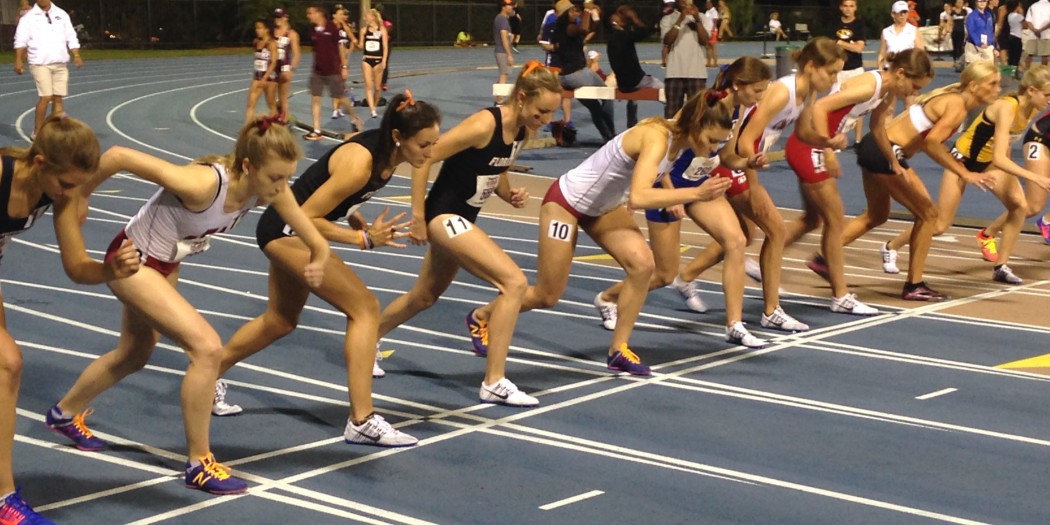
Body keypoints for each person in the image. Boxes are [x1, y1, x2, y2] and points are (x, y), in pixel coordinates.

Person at [45, 117, 329, 495]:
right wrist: (81, 197)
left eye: (286, 178)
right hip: (132, 261)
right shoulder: (202, 185)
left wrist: (319, 256)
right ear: (247, 166)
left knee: (134, 352)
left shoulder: (271, 188)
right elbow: (118, 155)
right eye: (276, 177)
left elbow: (312, 235)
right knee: (207, 348)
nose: (281, 187)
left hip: (164, 261)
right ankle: (199, 463)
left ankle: (63, 414)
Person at [214, 92, 438, 445]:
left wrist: (353, 215)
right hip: (288, 232)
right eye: (425, 145)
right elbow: (306, 217)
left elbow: (334, 198)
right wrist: (362, 239)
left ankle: (207, 374)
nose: (430, 153)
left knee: (280, 320)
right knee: (365, 308)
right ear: (398, 137)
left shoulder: (387, 155)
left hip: (286, 230)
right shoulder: (361, 163)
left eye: (434, 144)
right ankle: (362, 420)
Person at [471, 88, 735, 375]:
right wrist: (694, 195)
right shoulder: (657, 138)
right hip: (566, 204)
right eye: (711, 141)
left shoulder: (681, 140)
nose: (713, 149)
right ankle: (482, 316)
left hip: (604, 208)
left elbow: (644, 179)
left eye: (720, 143)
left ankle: (618, 349)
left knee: (644, 265)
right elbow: (640, 197)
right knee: (547, 295)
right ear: (696, 126)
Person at [377, 64, 563, 405]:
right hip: (443, 216)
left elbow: (497, 165)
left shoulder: (520, 131)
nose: (547, 119)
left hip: (462, 219)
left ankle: (367, 340)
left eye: (552, 112)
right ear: (521, 98)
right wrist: (419, 215)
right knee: (514, 283)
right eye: (542, 111)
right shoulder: (483, 124)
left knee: (424, 297)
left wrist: (508, 194)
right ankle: (494, 381)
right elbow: (424, 157)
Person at [0, 116, 137, 525]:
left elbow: (77, 266)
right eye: (67, 184)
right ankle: (3, 497)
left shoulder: (56, 194)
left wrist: (110, 269)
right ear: (40, 162)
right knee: (8, 364)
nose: (75, 195)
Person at [595, 57, 770, 349]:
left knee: (736, 240)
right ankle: (607, 297)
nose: (760, 97)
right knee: (663, 274)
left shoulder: (740, 110)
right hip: (669, 185)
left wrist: (748, 161)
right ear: (739, 85)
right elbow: (667, 144)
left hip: (699, 186)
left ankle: (734, 326)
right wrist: (669, 190)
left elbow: (726, 156)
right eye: (758, 91)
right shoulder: (704, 105)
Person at [685, 38, 846, 337]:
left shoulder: (807, 91)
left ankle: (685, 276)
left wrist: (827, 143)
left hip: (745, 162)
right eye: (831, 73)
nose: (834, 80)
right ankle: (771, 311)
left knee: (746, 235)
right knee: (776, 229)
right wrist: (755, 185)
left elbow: (804, 131)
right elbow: (746, 139)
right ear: (811, 66)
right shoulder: (781, 92)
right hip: (733, 161)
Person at [840, 61, 1001, 301]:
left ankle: (824, 257)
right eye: (993, 83)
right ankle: (914, 284)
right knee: (929, 215)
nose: (998, 89)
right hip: (886, 152)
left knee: (876, 215)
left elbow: (922, 139)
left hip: (876, 148)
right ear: (975, 85)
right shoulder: (956, 104)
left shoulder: (953, 100)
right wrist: (964, 173)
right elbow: (932, 143)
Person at [790, 49, 935, 315]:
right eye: (914, 86)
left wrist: (892, 160)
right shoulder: (871, 84)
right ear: (901, 73)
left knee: (814, 220)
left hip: (818, 144)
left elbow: (878, 125)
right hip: (812, 144)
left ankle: (761, 259)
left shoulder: (887, 88)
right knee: (832, 220)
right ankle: (840, 295)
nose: (912, 93)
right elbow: (821, 107)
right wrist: (827, 150)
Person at [884, 66, 1050, 284]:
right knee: (940, 224)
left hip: (989, 164)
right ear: (1031, 90)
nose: (1049, 100)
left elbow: (1003, 148)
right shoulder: (1006, 107)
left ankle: (1001, 266)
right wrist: (1034, 177)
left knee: (1019, 206)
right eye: (1047, 95)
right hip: (961, 162)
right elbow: (1000, 157)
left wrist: (1008, 178)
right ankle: (891, 246)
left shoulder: (1030, 111)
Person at [13, 0, 83, 140]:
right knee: (46, 96)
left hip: (60, 63)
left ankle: (58, 133)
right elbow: (20, 40)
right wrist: (19, 60)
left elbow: (71, 36)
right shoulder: (28, 18)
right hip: (40, 63)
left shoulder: (61, 14)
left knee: (58, 99)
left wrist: (76, 55)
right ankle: (37, 132)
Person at [553, 0, 616, 142]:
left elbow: (588, 29)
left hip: (565, 76)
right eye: (573, 10)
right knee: (607, 95)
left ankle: (607, 137)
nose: (576, 12)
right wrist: (588, 10)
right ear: (566, 13)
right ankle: (611, 135)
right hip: (579, 74)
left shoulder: (559, 28)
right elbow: (584, 29)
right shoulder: (569, 28)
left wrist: (595, 17)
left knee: (594, 108)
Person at [607, 4, 663, 128]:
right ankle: (676, 117)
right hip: (635, 80)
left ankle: (631, 124)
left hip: (623, 82)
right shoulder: (623, 36)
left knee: (633, 99)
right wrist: (635, 19)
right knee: (662, 89)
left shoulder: (612, 37)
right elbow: (645, 31)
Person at [303, 4, 348, 141]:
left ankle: (355, 120)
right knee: (316, 98)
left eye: (310, 13)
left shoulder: (332, 27)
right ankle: (317, 130)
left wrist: (344, 66)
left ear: (319, 13)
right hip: (318, 71)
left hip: (333, 70)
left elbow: (340, 47)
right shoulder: (312, 30)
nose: (308, 16)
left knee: (340, 97)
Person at [661, 0, 710, 119]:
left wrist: (697, 19)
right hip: (674, 72)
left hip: (696, 72)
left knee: (697, 113)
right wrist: (680, 19)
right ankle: (672, 137)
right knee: (672, 112)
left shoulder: (702, 17)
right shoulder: (667, 19)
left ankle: (695, 137)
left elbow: (704, 40)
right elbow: (667, 40)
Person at [833, 0, 867, 144]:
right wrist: (850, 45)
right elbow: (828, 45)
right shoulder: (833, 24)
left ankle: (858, 140)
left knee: (859, 104)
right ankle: (838, 138)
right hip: (838, 70)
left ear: (855, 8)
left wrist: (841, 43)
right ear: (841, 7)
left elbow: (859, 48)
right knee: (837, 105)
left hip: (855, 69)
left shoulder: (859, 25)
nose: (848, 9)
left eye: (851, 6)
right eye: (846, 6)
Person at [331, 5, 363, 130]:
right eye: (341, 14)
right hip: (333, 58)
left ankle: (338, 108)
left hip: (343, 58)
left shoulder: (345, 26)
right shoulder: (330, 27)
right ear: (334, 15)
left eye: (344, 14)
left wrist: (354, 47)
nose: (344, 16)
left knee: (341, 83)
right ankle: (335, 109)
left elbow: (352, 40)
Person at [245, 18, 279, 126]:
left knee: (271, 104)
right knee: (250, 104)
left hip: (270, 79)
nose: (257, 30)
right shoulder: (256, 42)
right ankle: (247, 128)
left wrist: (265, 78)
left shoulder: (271, 43)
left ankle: (276, 128)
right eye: (256, 28)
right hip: (257, 77)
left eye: (260, 28)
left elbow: (273, 62)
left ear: (267, 29)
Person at [360, 9, 390, 120]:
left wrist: (384, 61)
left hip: (378, 60)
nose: (364, 19)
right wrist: (355, 42)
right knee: (368, 85)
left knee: (377, 88)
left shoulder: (382, 30)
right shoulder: (364, 30)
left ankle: (375, 106)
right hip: (367, 60)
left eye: (366, 16)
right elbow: (361, 46)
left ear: (372, 17)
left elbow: (385, 47)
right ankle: (372, 110)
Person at [879, 1, 925, 71]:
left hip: (908, 71)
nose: (902, 15)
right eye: (900, 12)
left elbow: (920, 54)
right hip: (889, 70)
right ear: (893, 14)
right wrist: (880, 70)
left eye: (905, 12)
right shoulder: (886, 32)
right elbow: (882, 53)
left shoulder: (914, 31)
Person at [272, 8, 301, 117]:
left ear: (286, 18)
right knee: (271, 99)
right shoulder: (271, 32)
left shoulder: (292, 34)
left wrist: (291, 70)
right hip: (272, 67)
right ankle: (275, 120)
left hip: (284, 67)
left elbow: (296, 53)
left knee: (283, 98)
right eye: (275, 17)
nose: (277, 20)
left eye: (279, 17)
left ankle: (285, 120)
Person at [494, 0, 517, 105]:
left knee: (503, 74)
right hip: (502, 52)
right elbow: (504, 38)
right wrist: (509, 55)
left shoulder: (501, 19)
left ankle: (499, 97)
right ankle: (500, 100)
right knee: (504, 74)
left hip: (501, 51)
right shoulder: (502, 19)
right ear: (503, 7)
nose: (512, 7)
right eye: (510, 5)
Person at [966, 0, 997, 65]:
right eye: (980, 1)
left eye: (984, 1)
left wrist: (994, 46)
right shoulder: (971, 16)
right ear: (976, 2)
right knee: (974, 70)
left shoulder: (989, 15)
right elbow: (971, 31)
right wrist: (979, 43)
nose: (982, 3)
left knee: (988, 69)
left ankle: (1010, 74)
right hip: (973, 46)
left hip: (987, 45)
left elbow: (991, 31)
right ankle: (1010, 73)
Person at [951, 0, 970, 71]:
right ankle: (955, 61)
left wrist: (967, 31)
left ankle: (960, 62)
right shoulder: (952, 11)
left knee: (961, 46)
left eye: (961, 3)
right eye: (958, 2)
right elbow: (950, 21)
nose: (960, 4)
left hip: (962, 31)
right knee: (955, 46)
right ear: (955, 3)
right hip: (955, 31)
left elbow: (966, 21)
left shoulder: (964, 11)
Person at [705, 0, 720, 67]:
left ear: (710, 4)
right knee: (708, 47)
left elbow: (715, 22)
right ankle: (708, 62)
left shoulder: (714, 12)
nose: (706, 5)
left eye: (707, 4)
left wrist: (713, 31)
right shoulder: (707, 12)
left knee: (713, 46)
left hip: (712, 30)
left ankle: (715, 62)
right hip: (707, 30)